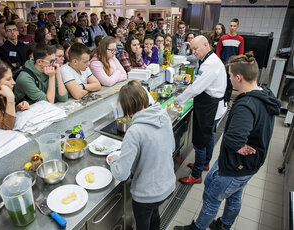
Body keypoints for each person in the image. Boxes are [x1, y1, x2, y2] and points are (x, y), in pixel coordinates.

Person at [174, 52, 281, 230]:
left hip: (236, 165)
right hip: (250, 164)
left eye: (230, 75)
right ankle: (224, 225)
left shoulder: (246, 105)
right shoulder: (265, 94)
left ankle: (197, 228)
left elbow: (234, 138)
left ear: (238, 77)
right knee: (235, 195)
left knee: (211, 198)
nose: (229, 79)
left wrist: (237, 146)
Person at [108, 80, 176, 230]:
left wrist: (114, 160)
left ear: (126, 107)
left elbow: (121, 174)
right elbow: (171, 147)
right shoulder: (163, 116)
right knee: (154, 215)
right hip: (167, 186)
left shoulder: (134, 131)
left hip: (146, 195)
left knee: (143, 224)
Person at [173, 35, 227, 184]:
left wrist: (179, 99)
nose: (194, 52)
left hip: (209, 107)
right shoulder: (210, 60)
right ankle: (204, 163)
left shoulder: (210, 64)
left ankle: (196, 174)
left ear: (206, 45)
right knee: (208, 136)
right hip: (212, 106)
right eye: (192, 49)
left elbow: (197, 88)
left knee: (200, 142)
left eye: (196, 48)